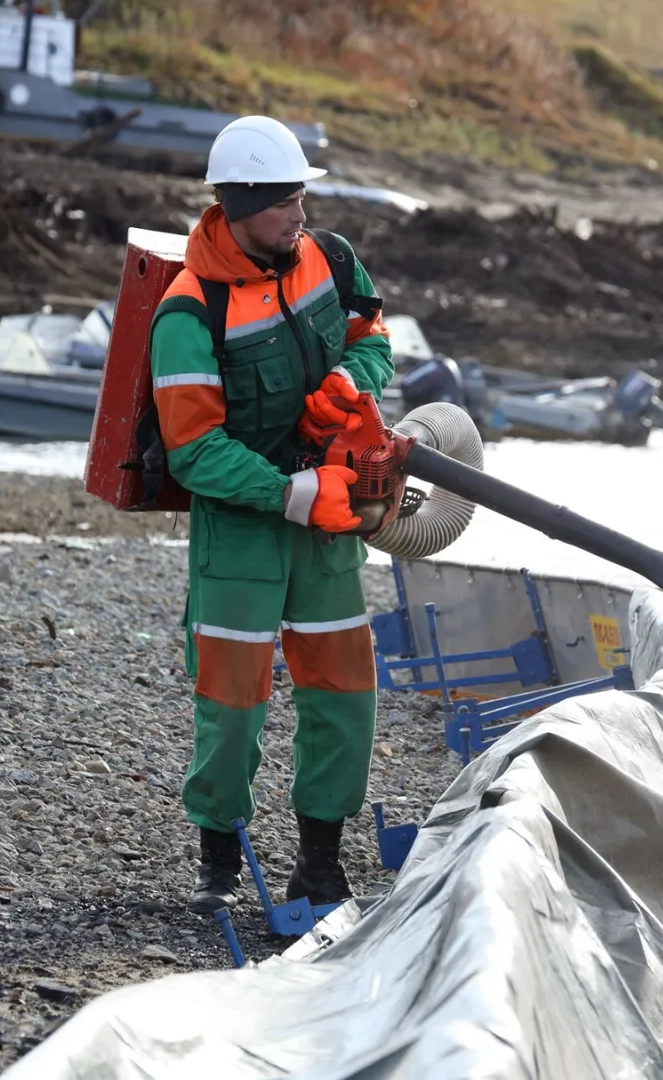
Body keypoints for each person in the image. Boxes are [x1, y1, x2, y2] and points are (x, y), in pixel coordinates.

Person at [148, 115, 394, 913]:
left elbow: (374, 336)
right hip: (243, 528)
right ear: (239, 203)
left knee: (345, 693)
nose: (299, 213)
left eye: (300, 197)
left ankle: (320, 864)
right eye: (284, 201)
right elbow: (193, 450)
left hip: (327, 523)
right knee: (231, 706)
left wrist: (351, 385)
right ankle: (217, 856)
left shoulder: (329, 256)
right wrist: (292, 493)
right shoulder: (188, 313)